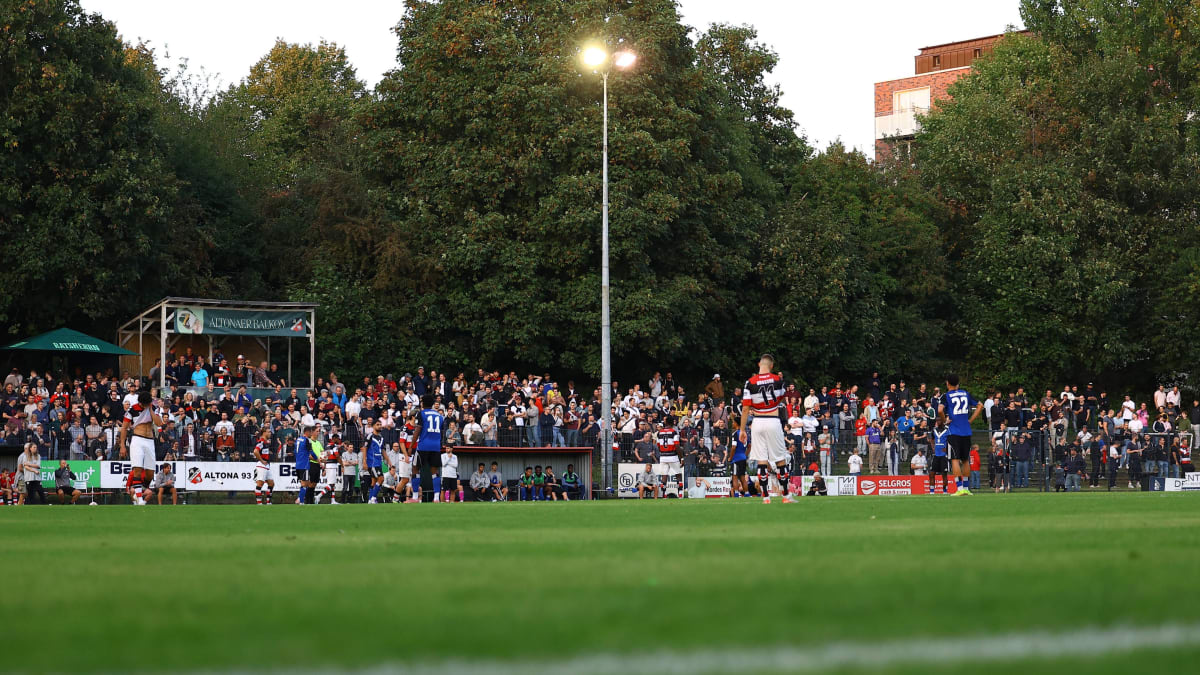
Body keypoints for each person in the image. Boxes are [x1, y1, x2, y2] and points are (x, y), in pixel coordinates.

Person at [740, 353, 795, 504]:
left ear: (759, 364)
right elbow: (783, 399)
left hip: (757, 421)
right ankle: (786, 496)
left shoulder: (749, 382)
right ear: (771, 366)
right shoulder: (778, 380)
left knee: (762, 461)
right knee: (780, 460)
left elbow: (745, 408)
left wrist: (743, 429)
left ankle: (765, 497)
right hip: (772, 420)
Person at [940, 374, 984, 496]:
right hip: (966, 431)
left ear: (947, 383)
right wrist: (970, 420)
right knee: (965, 460)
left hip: (954, 431)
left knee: (954, 459)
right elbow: (980, 405)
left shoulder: (946, 396)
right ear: (958, 384)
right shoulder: (965, 393)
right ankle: (966, 488)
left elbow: (939, 410)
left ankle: (959, 489)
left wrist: (944, 421)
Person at [119, 391, 164, 505]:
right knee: (137, 469)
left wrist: (150, 409)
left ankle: (138, 491)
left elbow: (159, 423)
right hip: (137, 439)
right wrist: (122, 446)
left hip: (149, 440)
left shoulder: (152, 408)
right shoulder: (132, 410)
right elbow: (124, 428)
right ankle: (139, 499)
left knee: (150, 472)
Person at [415, 395, 445, 502]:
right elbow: (442, 432)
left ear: (423, 403)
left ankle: (414, 497)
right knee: (434, 472)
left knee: (416, 469)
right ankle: (436, 497)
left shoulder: (421, 414)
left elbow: (418, 430)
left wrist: (411, 446)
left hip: (423, 445)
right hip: (436, 446)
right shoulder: (439, 415)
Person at [656, 417, 683, 497]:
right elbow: (677, 445)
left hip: (663, 456)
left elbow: (658, 445)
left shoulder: (659, 433)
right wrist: (681, 458)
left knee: (664, 475)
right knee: (678, 474)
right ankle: (680, 494)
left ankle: (664, 494)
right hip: (673, 456)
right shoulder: (674, 432)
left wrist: (662, 452)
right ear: (672, 423)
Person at [294, 426, 320, 505]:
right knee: (305, 484)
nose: (311, 434)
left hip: (298, 464)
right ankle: (301, 502)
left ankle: (299, 498)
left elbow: (295, 451)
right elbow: (311, 452)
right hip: (304, 465)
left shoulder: (298, 439)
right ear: (307, 432)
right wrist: (317, 459)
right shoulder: (307, 440)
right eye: (311, 432)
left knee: (305, 483)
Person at [364, 420, 385, 504]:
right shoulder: (370, 436)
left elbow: (383, 450)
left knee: (374, 481)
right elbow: (364, 448)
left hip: (378, 461)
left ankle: (370, 500)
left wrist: (389, 461)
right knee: (381, 479)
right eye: (377, 424)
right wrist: (364, 461)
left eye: (380, 424)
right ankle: (373, 498)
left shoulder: (381, 438)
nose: (379, 426)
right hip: (372, 462)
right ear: (373, 426)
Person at [315, 439, 342, 505]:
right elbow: (337, 455)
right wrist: (342, 464)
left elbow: (325, 458)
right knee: (331, 484)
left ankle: (333, 500)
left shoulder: (327, 447)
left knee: (332, 484)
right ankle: (318, 496)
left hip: (328, 465)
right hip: (332, 466)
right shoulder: (334, 447)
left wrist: (324, 467)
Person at [252, 433, 275, 505]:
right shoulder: (261, 442)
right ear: (264, 433)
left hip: (267, 465)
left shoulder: (266, 442)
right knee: (260, 483)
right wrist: (261, 460)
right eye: (268, 432)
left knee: (271, 483)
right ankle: (259, 503)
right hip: (262, 464)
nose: (270, 434)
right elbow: (255, 451)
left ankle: (268, 502)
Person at [927, 422, 950, 494]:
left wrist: (947, 448)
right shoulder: (934, 430)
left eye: (940, 420)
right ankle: (931, 491)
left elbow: (950, 440)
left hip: (944, 456)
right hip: (936, 455)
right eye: (937, 421)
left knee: (944, 474)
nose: (938, 422)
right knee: (931, 473)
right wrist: (933, 446)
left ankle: (945, 491)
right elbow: (932, 439)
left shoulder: (947, 430)